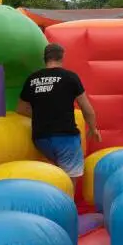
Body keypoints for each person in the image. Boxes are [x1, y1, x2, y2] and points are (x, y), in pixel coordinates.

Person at [17, 43, 101, 180]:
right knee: (70, 179)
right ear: (62, 57)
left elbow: (21, 109)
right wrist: (93, 128)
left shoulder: (32, 79)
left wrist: (42, 114)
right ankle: (67, 201)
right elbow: (87, 109)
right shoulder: (70, 77)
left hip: (40, 139)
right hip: (65, 137)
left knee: (55, 175)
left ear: (45, 58)